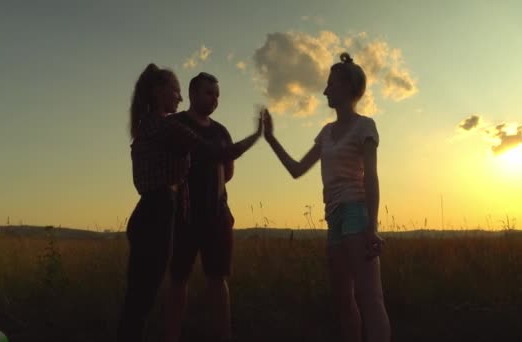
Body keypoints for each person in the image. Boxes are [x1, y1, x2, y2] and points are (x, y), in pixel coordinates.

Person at [119, 64, 256, 342]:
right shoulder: (169, 126)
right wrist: (257, 135)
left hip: (161, 211)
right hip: (162, 214)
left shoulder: (152, 124)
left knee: (140, 297)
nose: (179, 98)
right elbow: (217, 153)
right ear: (160, 92)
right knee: (144, 295)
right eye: (176, 91)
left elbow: (224, 169)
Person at [262, 53, 391, 342]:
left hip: (357, 213)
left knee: (371, 300)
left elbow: (371, 176)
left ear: (347, 87)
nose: (324, 90)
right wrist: (270, 138)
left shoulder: (365, 126)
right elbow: (297, 169)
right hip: (334, 217)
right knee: (344, 301)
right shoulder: (326, 132)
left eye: (330, 84)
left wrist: (373, 226)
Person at [166, 72, 262, 342]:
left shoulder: (221, 131)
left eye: (217, 94)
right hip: (182, 216)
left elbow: (227, 171)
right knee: (178, 278)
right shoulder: (176, 124)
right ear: (193, 93)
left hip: (216, 216)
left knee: (217, 279)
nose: (215, 99)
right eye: (209, 93)